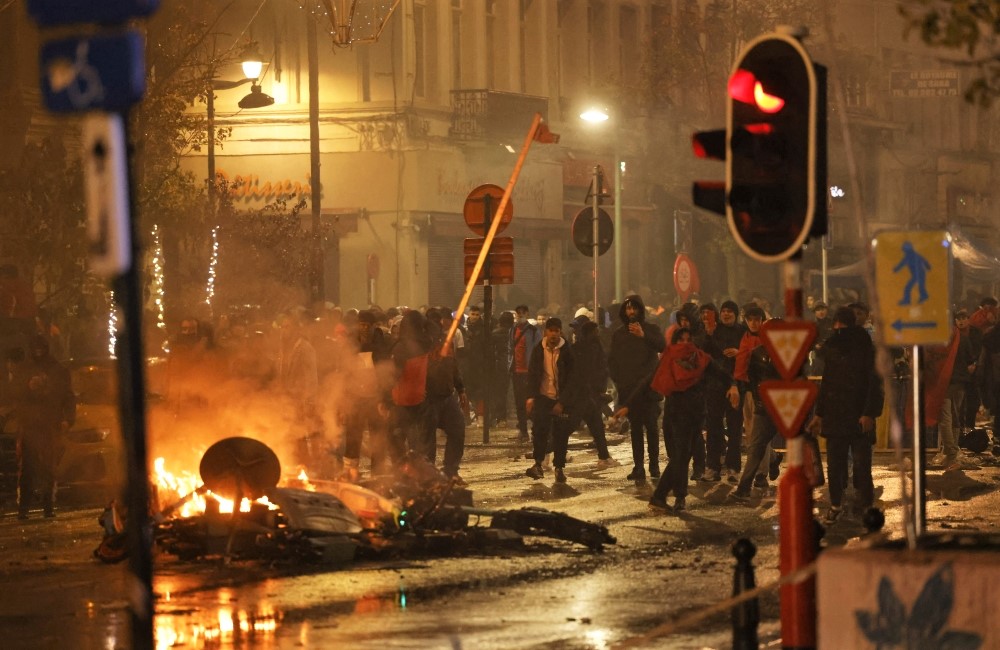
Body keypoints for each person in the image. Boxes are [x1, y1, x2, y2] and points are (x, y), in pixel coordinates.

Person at [644, 328, 739, 511]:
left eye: (689, 339)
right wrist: (628, 405)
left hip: (696, 415)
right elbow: (648, 381)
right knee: (680, 457)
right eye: (681, 339)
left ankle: (673, 497)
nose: (685, 343)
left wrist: (733, 386)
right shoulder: (669, 359)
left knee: (683, 457)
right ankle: (662, 496)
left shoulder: (701, 359)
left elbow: (722, 374)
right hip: (677, 415)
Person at [807, 307, 884, 524]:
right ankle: (841, 506)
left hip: (851, 416)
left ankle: (856, 506)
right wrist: (819, 415)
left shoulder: (863, 348)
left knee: (853, 465)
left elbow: (873, 385)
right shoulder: (840, 347)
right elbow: (828, 382)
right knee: (844, 465)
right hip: (839, 416)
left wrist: (869, 413)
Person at [13, 335, 76, 519]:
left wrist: (68, 419)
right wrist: (27, 387)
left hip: (50, 425)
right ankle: (23, 509)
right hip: (30, 426)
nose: (38, 351)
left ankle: (48, 507)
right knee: (27, 469)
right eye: (35, 348)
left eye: (41, 348)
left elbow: (68, 396)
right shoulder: (24, 370)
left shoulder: (57, 370)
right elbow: (15, 393)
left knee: (49, 468)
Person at [608, 294, 665, 481]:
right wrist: (620, 383)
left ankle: (654, 466)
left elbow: (662, 346)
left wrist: (644, 336)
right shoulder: (619, 334)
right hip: (629, 391)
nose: (631, 312)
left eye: (634, 308)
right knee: (636, 430)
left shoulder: (651, 329)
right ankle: (638, 467)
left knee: (652, 428)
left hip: (649, 389)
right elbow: (613, 361)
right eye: (628, 308)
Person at [524, 318, 579, 483]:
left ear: (560, 332)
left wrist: (562, 402)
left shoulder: (567, 351)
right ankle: (538, 464)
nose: (554, 334)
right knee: (540, 431)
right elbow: (533, 375)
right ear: (545, 332)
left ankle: (559, 468)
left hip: (561, 400)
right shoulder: (538, 350)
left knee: (561, 435)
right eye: (551, 330)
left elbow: (572, 379)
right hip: (542, 397)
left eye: (557, 331)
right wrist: (531, 397)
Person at [341, 310, 391, 481]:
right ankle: (350, 473)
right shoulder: (351, 343)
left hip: (375, 399)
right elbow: (344, 372)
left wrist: (385, 399)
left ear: (373, 326)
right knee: (353, 436)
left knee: (378, 437)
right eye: (361, 324)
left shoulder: (381, 344)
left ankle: (378, 476)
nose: (363, 328)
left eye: (366, 325)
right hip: (355, 398)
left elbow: (386, 373)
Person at [569, 321, 617, 469]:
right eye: (595, 331)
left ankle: (604, 456)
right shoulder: (591, 348)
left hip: (589, 393)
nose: (598, 333)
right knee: (569, 426)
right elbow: (592, 370)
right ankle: (542, 455)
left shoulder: (582, 347)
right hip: (587, 393)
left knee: (596, 425)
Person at [508, 305, 542, 444]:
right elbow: (510, 348)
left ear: (527, 314)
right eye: (518, 313)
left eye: (523, 313)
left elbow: (538, 350)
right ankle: (523, 430)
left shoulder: (534, 331)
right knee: (519, 402)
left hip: (529, 372)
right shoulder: (513, 330)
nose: (520, 315)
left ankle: (535, 430)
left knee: (532, 401)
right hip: (516, 371)